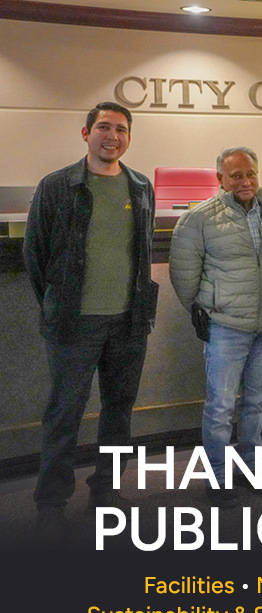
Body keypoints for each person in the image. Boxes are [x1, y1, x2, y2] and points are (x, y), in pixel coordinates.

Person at [23, 102, 158, 543]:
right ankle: (51, 503)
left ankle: (106, 491)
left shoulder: (140, 187)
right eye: (103, 127)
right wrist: (57, 304)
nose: (112, 136)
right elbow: (35, 255)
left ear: (128, 138)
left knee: (118, 413)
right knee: (64, 413)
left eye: (120, 129)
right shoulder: (58, 186)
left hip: (128, 321)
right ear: (86, 134)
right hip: (73, 325)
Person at [169, 147, 262, 508]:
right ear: (220, 179)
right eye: (236, 176)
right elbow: (183, 274)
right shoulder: (199, 218)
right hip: (226, 328)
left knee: (257, 404)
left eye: (251, 174)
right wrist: (207, 308)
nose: (245, 182)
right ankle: (217, 475)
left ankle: (248, 468)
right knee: (219, 408)